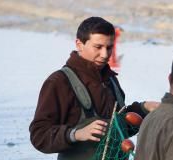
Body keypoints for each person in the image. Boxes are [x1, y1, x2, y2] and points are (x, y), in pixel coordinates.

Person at [29, 17, 158, 159]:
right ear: (79, 44)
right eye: (98, 47)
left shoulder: (110, 79)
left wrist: (145, 109)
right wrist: (76, 134)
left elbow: (118, 130)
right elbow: (39, 136)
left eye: (109, 47)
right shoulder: (58, 82)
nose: (105, 55)